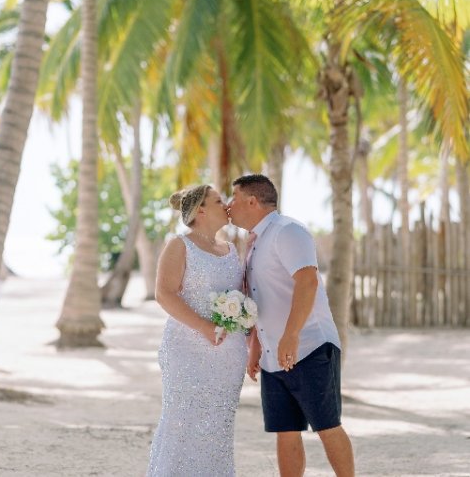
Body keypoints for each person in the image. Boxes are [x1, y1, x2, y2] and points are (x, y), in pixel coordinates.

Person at [228, 174, 355, 477]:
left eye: (233, 198)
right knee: (285, 430)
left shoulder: (288, 231)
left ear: (252, 201)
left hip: (309, 345)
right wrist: (256, 348)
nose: (230, 206)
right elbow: (261, 298)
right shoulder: (255, 242)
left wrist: (291, 335)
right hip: (274, 354)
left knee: (327, 424)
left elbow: (307, 281)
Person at [147, 184, 248, 477]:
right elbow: (164, 294)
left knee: (218, 425)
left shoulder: (230, 249)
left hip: (229, 355)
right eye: (219, 200)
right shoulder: (179, 245)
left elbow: (239, 295)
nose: (226, 204)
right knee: (182, 421)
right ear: (201, 210)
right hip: (186, 351)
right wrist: (204, 327)